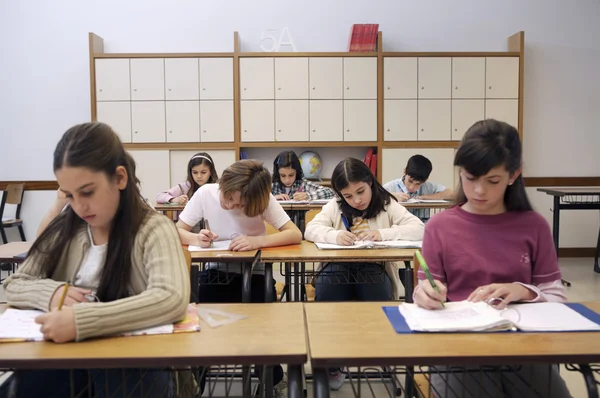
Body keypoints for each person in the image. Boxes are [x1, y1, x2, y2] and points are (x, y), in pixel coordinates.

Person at [2, 122, 189, 398]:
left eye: (87, 192)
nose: (79, 206)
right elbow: (14, 284)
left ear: (120, 178)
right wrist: (53, 293)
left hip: (138, 365)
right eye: (69, 195)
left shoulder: (153, 228)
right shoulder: (67, 228)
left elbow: (171, 298)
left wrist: (82, 320)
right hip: (65, 360)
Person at [414, 119, 571, 397]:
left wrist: (522, 290)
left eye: (493, 180)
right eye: (470, 178)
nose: (479, 191)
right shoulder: (440, 227)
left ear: (514, 174)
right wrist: (424, 295)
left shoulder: (534, 225)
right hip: (460, 349)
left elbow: (557, 298)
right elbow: (427, 290)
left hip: (524, 348)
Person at [175, 159, 302, 397]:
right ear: (222, 182)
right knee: (199, 319)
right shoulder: (205, 193)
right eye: (227, 196)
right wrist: (196, 238)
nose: (229, 204)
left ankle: (270, 379)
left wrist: (258, 241)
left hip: (254, 274)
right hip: (215, 273)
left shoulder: (261, 198)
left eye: (238, 203)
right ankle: (195, 382)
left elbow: (295, 234)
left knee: (260, 323)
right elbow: (177, 229)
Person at [304, 157, 424, 391]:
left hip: (374, 267)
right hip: (337, 266)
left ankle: (374, 351)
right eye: (348, 196)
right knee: (327, 300)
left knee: (378, 301)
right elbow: (311, 229)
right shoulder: (335, 206)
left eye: (360, 191)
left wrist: (383, 233)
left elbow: (419, 228)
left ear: (370, 182)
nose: (356, 200)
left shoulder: (387, 203)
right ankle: (332, 362)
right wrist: (334, 236)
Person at [383, 154, 455, 221]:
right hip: (398, 227)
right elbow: (376, 197)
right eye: (410, 181)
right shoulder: (390, 186)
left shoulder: (428, 186)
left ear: (425, 180)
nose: (412, 187)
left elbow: (452, 194)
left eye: (418, 184)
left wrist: (425, 197)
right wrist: (393, 196)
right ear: (405, 171)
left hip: (422, 227)